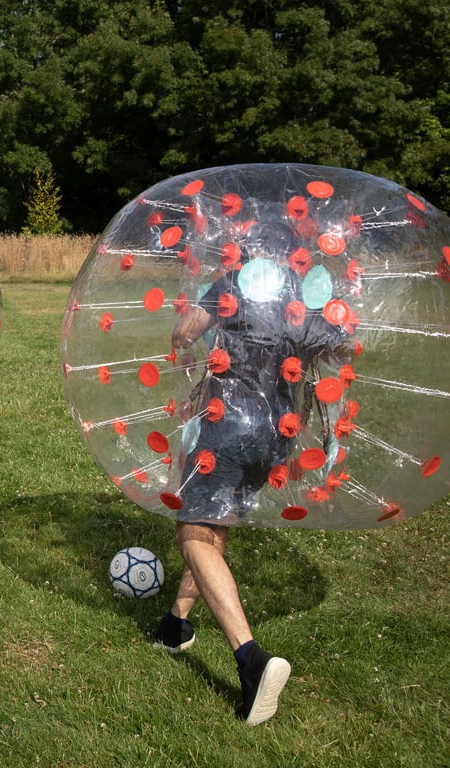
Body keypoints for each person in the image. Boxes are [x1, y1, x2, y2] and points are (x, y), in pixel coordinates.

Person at [153, 243, 351, 725]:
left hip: (226, 426)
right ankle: (176, 624)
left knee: (192, 533)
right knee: (213, 521)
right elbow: (340, 348)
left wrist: (191, 321)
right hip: (277, 436)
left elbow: (186, 332)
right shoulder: (309, 296)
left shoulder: (235, 283)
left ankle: (250, 659)